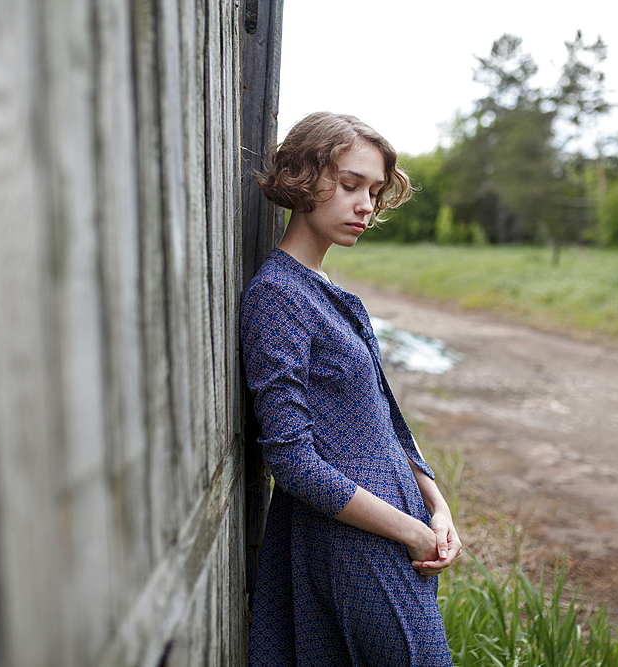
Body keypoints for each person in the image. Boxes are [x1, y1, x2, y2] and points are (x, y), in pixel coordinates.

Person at [241, 111, 460, 666]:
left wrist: (437, 507)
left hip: (397, 526)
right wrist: (410, 531)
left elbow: (383, 418)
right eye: (349, 185)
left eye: (375, 191)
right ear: (302, 177)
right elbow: (292, 460)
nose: (366, 204)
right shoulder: (277, 296)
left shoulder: (321, 288)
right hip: (354, 543)